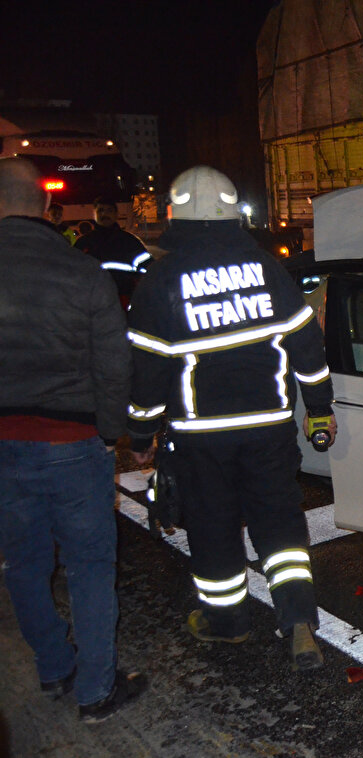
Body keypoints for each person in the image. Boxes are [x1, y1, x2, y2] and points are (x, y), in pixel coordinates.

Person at [126, 165, 336, 672]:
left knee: (213, 525)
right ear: (231, 212)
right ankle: (299, 619)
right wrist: (320, 409)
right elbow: (307, 345)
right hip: (268, 426)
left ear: (173, 214)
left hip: (202, 436)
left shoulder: (160, 278)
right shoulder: (267, 267)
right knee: (279, 520)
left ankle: (228, 622)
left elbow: (148, 370)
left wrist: (139, 432)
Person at [0, 157, 147, 723]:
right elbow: (115, 364)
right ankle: (96, 690)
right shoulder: (82, 272)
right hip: (73, 442)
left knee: (23, 564)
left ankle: (54, 666)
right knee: (89, 566)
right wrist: (115, 433)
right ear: (46, 207)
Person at [74, 197, 151, 309]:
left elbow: (147, 270)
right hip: (92, 304)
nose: (105, 214)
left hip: (123, 302)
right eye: (100, 211)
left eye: (109, 211)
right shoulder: (83, 243)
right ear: (94, 214)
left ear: (116, 214)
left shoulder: (130, 242)